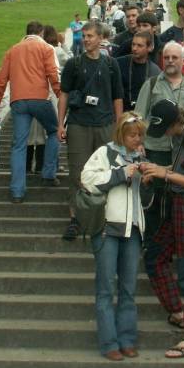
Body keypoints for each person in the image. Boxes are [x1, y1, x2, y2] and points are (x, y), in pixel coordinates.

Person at [141, 100, 184, 358]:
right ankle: (177, 311)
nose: (164, 135)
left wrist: (165, 174)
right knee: (154, 256)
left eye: (165, 129)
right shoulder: (181, 136)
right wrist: (159, 170)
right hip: (177, 204)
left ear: (174, 123)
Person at [81, 112, 148, 361]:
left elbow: (144, 197)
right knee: (106, 288)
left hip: (133, 229)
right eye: (132, 135)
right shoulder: (105, 153)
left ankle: (127, 340)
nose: (137, 139)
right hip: (107, 228)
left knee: (128, 288)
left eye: (139, 135)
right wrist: (120, 173)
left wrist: (147, 177)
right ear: (121, 134)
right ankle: (109, 343)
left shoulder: (141, 157)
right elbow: (87, 179)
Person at [58, 19, 124, 241]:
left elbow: (117, 97)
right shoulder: (73, 64)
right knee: (77, 172)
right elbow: (64, 94)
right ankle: (75, 219)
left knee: (106, 171)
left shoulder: (111, 64)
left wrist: (119, 125)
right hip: (79, 124)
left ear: (100, 38)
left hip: (105, 124)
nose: (86, 40)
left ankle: (104, 216)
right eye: (84, 36)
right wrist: (60, 124)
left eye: (90, 36)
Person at [135, 42, 184, 245]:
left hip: (183, 153)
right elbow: (139, 115)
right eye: (166, 57)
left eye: (174, 57)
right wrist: (138, 142)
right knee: (155, 198)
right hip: (155, 149)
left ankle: (175, 242)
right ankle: (153, 242)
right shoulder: (152, 84)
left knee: (178, 199)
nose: (169, 61)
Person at [0, 21, 61, 203]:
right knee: (54, 131)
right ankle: (48, 173)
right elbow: (52, 73)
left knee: (19, 145)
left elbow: (1, 79)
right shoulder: (46, 48)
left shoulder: (12, 50)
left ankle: (17, 191)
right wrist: (60, 94)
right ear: (41, 33)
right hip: (40, 99)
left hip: (18, 101)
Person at [116, 30, 160, 111]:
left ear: (149, 48)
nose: (134, 48)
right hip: (122, 112)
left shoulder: (155, 71)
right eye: (133, 44)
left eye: (139, 45)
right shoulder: (118, 63)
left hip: (143, 112)